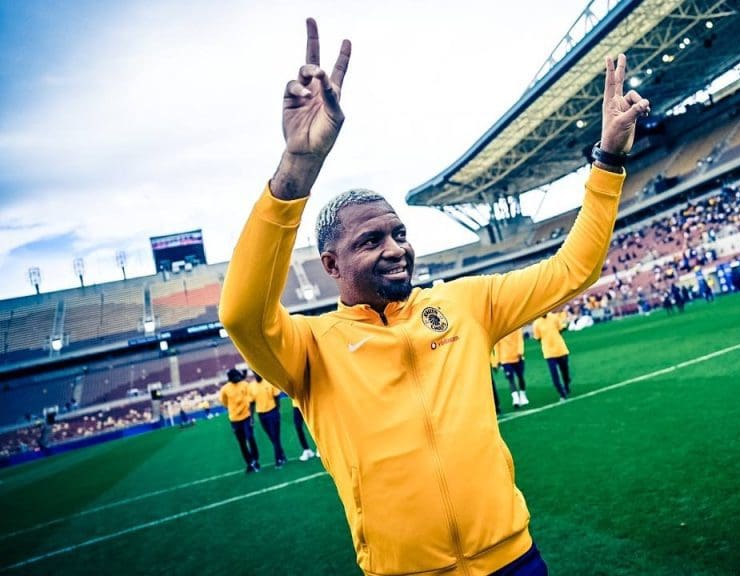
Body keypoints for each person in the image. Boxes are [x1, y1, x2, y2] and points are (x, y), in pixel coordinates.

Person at [219, 17, 648, 576]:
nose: (395, 248)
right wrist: (298, 165)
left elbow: (574, 268)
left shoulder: (466, 304)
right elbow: (242, 312)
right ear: (331, 265)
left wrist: (608, 161)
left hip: (515, 560)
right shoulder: (308, 349)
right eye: (371, 240)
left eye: (399, 233)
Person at [218, 368, 260, 473]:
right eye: (235, 377)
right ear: (230, 378)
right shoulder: (225, 389)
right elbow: (224, 403)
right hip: (235, 420)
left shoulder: (245, 385)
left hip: (246, 417)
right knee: (241, 443)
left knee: (250, 438)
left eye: (238, 376)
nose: (238, 378)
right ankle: (249, 463)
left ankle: (255, 460)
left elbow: (251, 398)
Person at [532, 311, 572, 401]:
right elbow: (537, 338)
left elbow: (560, 329)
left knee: (565, 370)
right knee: (554, 374)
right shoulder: (536, 323)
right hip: (549, 352)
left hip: (560, 348)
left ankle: (566, 385)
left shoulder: (554, 317)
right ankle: (562, 393)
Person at [250, 373, 287, 467]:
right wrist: (251, 417)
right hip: (261, 415)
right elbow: (252, 403)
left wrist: (277, 411)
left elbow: (277, 397)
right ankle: (282, 455)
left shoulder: (269, 382)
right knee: (272, 437)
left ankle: (278, 459)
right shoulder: (252, 386)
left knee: (275, 436)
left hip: (272, 412)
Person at [495, 328, 529, 409]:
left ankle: (522, 395)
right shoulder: (498, 329)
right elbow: (497, 345)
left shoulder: (516, 327)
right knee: (510, 379)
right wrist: (497, 360)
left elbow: (520, 339)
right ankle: (515, 398)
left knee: (520, 377)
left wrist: (520, 352)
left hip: (517, 357)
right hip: (505, 359)